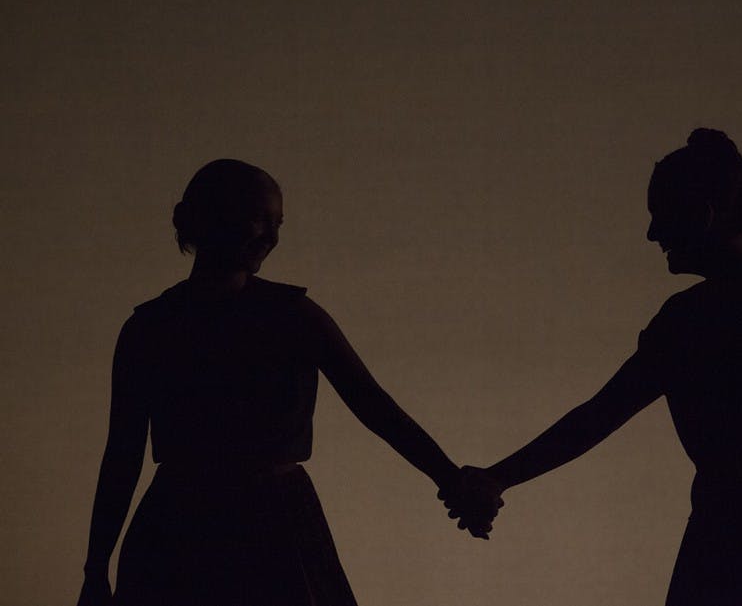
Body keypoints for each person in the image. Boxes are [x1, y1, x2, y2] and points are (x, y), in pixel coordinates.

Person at [444, 129, 742, 605]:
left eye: (660, 216)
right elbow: (595, 417)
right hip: (733, 548)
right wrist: (498, 477)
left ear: (703, 216)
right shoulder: (709, 317)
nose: (652, 234)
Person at [76, 159, 485, 606]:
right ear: (206, 217)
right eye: (257, 217)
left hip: (259, 527)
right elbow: (122, 454)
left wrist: (449, 476)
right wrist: (95, 568)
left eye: (277, 223)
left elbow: (374, 406)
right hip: (209, 528)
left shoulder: (287, 317)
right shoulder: (152, 329)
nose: (270, 235)